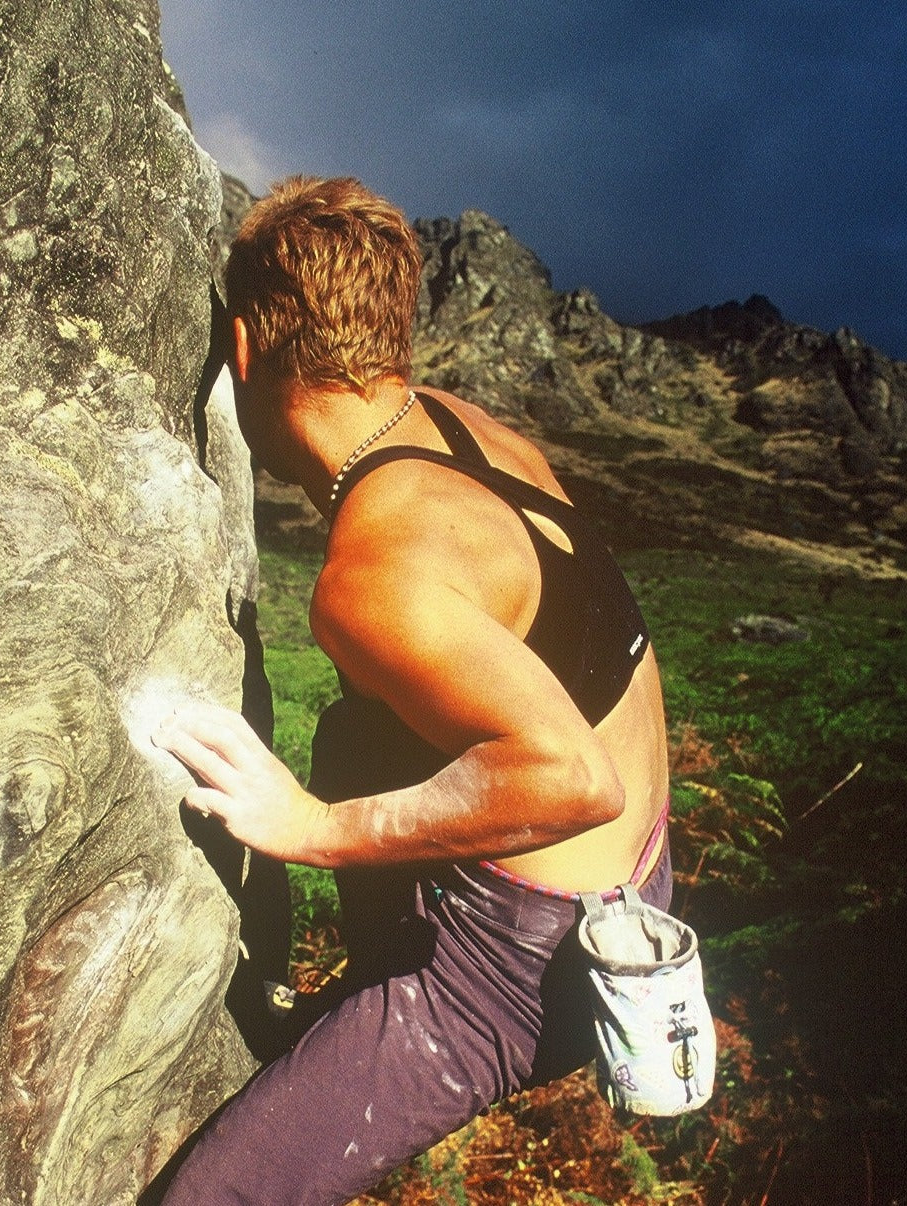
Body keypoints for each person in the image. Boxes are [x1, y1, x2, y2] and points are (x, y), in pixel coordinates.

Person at [154, 176, 671, 1205]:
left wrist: (314, 828)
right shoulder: (469, 432)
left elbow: (571, 777)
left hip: (514, 972)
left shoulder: (370, 574)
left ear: (246, 352)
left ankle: (389, 1011)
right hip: (639, 894)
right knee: (356, 729)